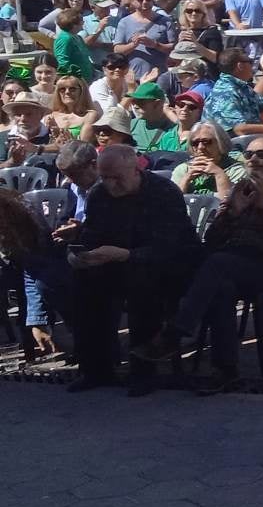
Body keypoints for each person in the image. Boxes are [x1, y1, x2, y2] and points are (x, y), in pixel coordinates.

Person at [132, 136, 263, 393]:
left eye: (262, 155)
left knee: (217, 264)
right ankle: (225, 371)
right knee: (220, 286)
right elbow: (213, 238)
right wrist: (232, 213)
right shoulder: (240, 188)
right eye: (249, 155)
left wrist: (262, 205)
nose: (254, 160)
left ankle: (175, 333)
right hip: (229, 264)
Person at [63, 143, 201, 395]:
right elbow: (93, 234)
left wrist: (126, 255)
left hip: (167, 265)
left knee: (143, 282)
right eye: (105, 178)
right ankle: (96, 367)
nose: (111, 184)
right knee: (84, 282)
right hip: (117, 259)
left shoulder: (163, 192)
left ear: (135, 171)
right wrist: (84, 255)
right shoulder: (99, 194)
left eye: (117, 178)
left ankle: (143, 371)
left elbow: (169, 247)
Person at [171, 122, 246, 195]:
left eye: (206, 142)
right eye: (195, 143)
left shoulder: (236, 170)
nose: (200, 147)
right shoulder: (182, 170)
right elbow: (172, 203)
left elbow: (230, 202)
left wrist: (219, 174)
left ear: (220, 142)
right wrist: (187, 178)